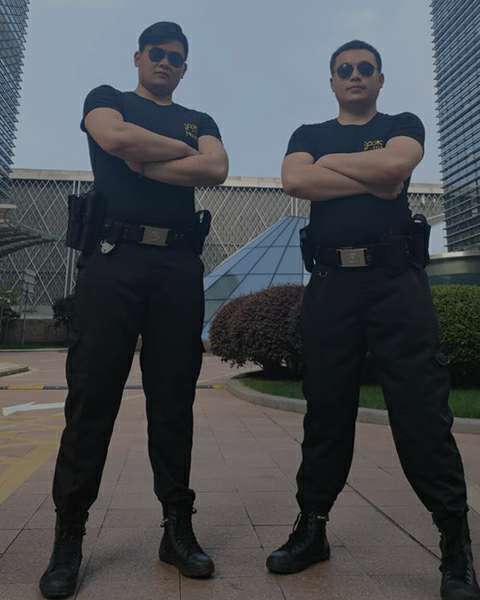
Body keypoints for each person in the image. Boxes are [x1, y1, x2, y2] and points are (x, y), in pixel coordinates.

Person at [266, 40, 479, 600]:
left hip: (395, 285)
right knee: (325, 411)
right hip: (331, 285)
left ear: (380, 79)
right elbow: (296, 181)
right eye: (345, 69)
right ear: (332, 81)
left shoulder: (401, 124)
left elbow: (396, 167)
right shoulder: (308, 134)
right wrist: (372, 176)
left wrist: (330, 168)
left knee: (421, 413)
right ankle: (312, 528)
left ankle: (455, 543)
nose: (355, 75)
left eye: (365, 68)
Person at [39, 21, 228, 599]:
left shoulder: (200, 119)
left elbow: (216, 169)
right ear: (138, 57)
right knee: (91, 397)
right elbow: (115, 138)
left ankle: (177, 529)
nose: (166, 62)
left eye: (176, 57)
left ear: (185, 68)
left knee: (173, 401)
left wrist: (145, 160)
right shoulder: (107, 99)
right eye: (157, 53)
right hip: (112, 261)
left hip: (177, 268)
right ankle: (69, 535)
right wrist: (178, 154)